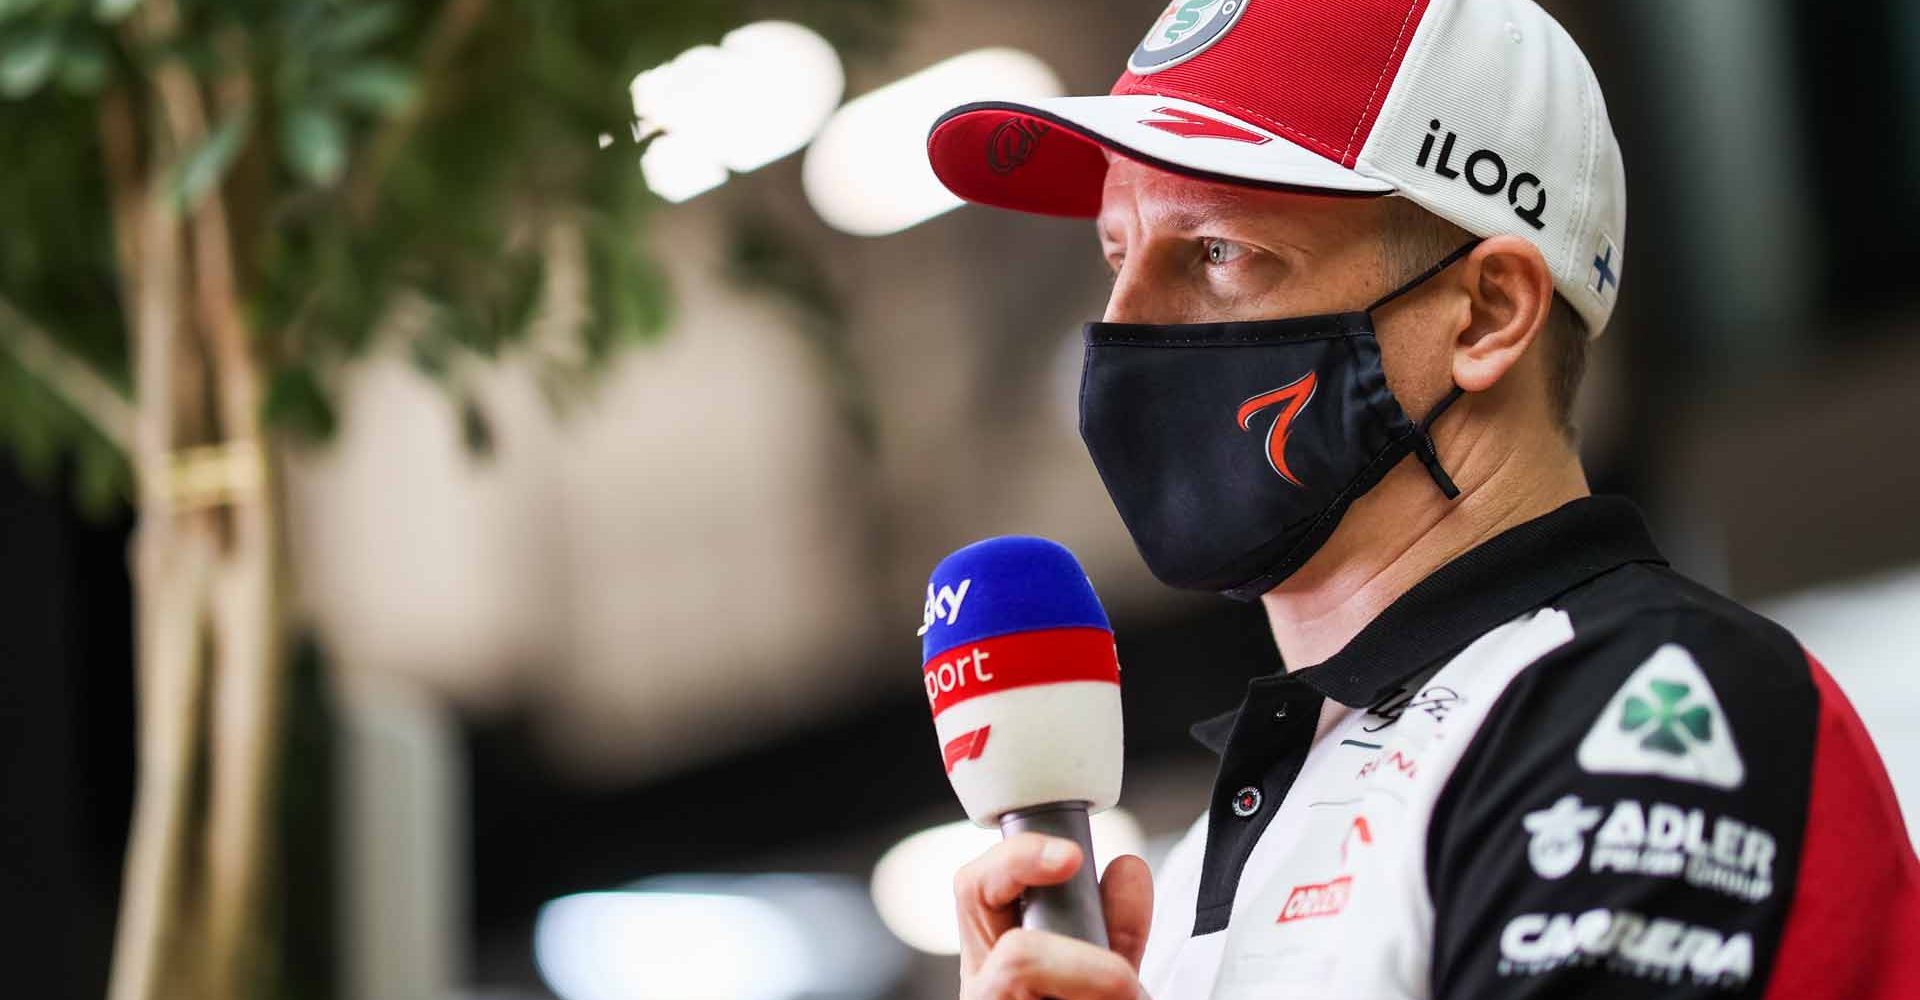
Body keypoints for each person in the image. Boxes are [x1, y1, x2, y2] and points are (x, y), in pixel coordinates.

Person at [921, 0, 1920, 997]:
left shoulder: (1652, 712)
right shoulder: (1187, 884)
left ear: (1485, 314)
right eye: (1114, 253)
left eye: (1217, 252)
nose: (1118, 329)